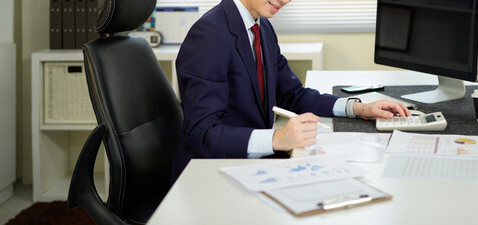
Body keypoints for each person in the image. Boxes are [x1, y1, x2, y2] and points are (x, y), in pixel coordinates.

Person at [170, 0, 410, 183]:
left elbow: (292, 95)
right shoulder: (209, 35)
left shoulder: (261, 28)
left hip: (247, 165)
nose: (284, 0)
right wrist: (277, 139)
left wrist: (357, 108)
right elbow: (202, 133)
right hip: (209, 175)